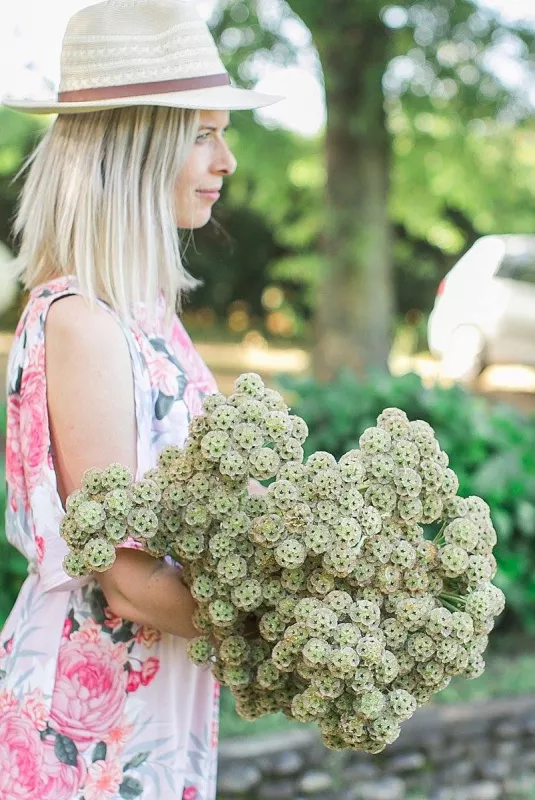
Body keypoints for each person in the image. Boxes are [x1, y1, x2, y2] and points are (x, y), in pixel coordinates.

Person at [0, 1, 281, 798]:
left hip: (159, 701)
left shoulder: (148, 317)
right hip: (86, 726)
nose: (226, 160)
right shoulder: (82, 323)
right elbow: (123, 578)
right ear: (134, 146)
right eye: (201, 133)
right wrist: (291, 629)